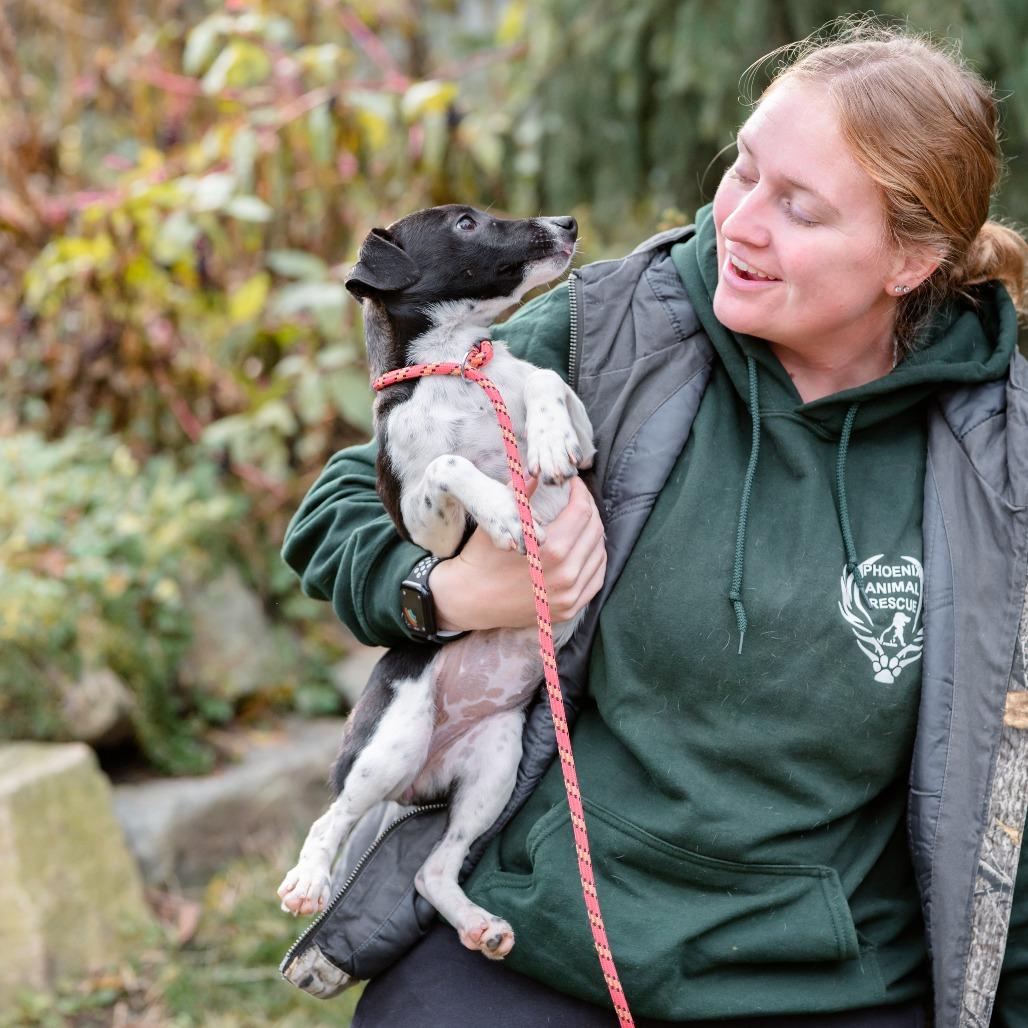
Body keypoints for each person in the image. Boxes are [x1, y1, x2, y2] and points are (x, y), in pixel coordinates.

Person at [281, 19, 1028, 1028]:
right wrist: (441, 588)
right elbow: (339, 502)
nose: (740, 221)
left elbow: (1008, 804)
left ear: (909, 259)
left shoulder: (1001, 455)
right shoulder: (615, 328)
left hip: (834, 979)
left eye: (796, 207)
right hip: (548, 930)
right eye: (743, 170)